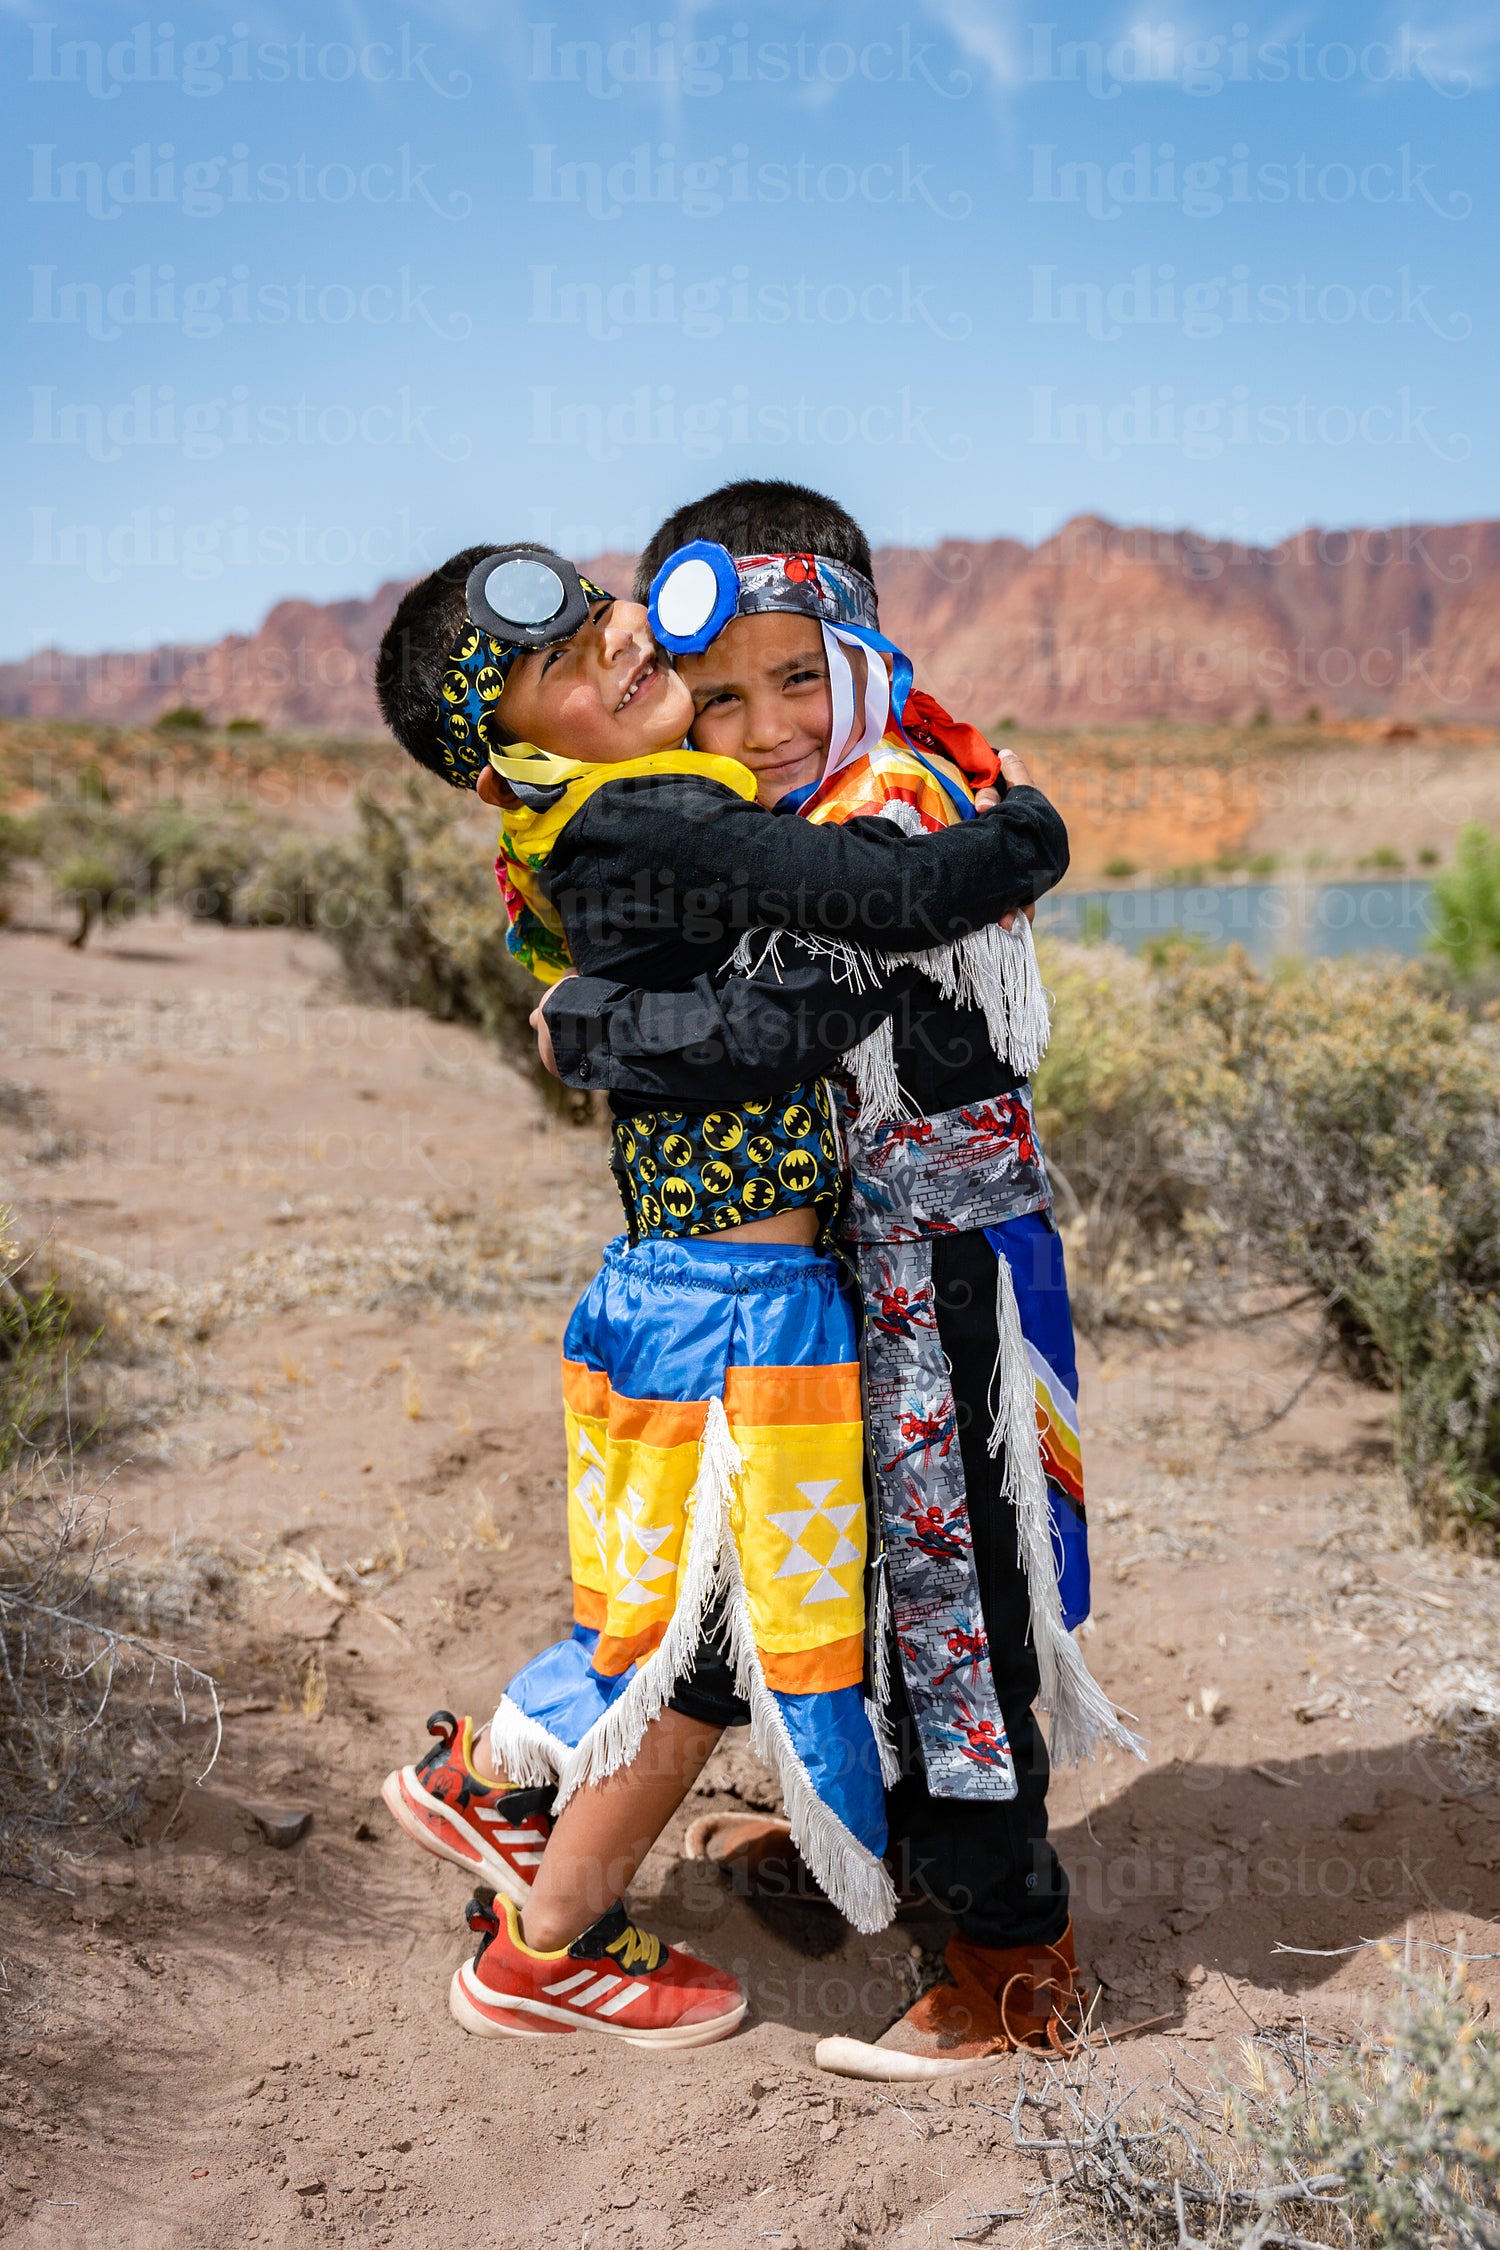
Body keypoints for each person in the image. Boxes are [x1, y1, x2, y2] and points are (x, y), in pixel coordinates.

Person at [374, 535, 1070, 2050]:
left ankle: (492, 1786)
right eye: (562, 664)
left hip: (692, 1289)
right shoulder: (666, 818)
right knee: (702, 1639)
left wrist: (605, 1020)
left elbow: (698, 997)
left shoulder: (608, 811)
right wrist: (1029, 836)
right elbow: (855, 921)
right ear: (510, 751)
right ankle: (547, 1935)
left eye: (600, 610)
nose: (620, 649)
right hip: (742, 1311)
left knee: (675, 1609)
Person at [534, 480, 1141, 2076]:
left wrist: (592, 1033)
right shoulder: (786, 824)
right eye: (719, 694)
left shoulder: (902, 808)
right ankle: (866, 1840)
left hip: (936, 1280)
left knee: (953, 1604)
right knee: (844, 1578)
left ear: (864, 651)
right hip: (843, 1281)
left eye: (799, 675)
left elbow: (779, 1027)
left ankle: (1016, 1960)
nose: (770, 721)